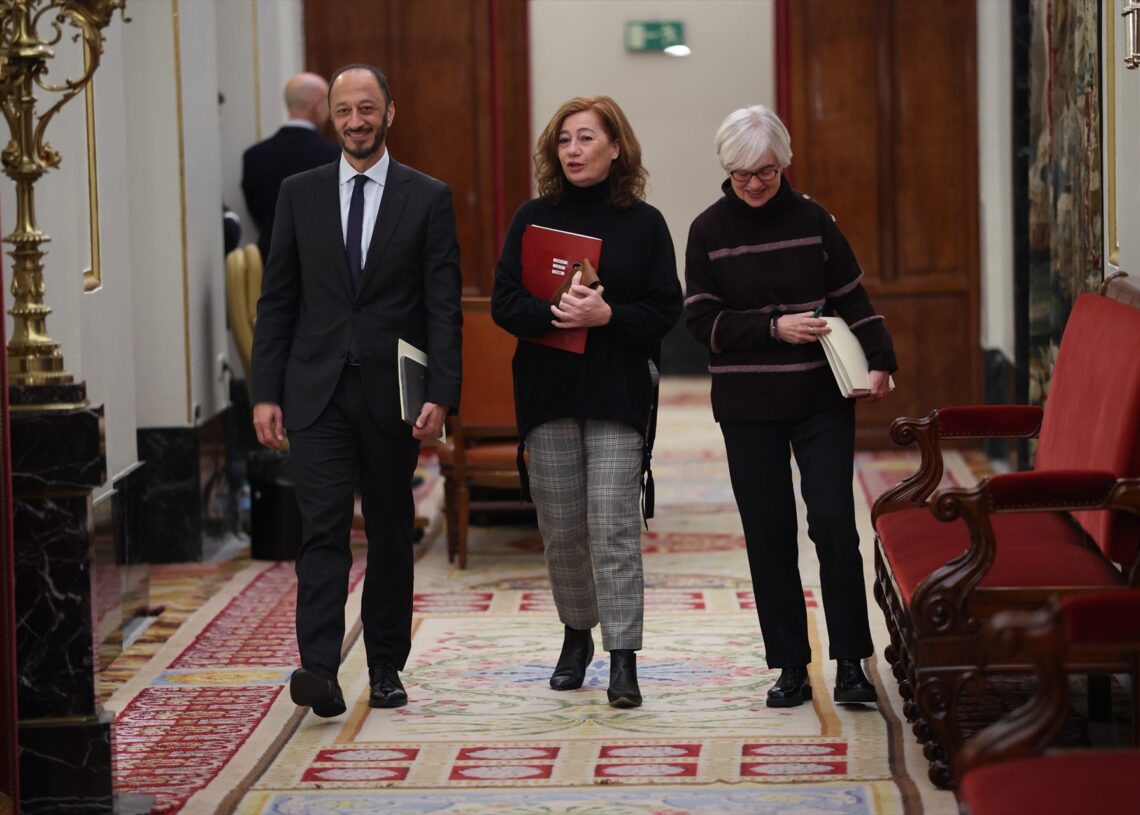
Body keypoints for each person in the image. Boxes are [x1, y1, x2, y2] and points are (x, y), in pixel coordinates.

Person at [251, 63, 462, 718]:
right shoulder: (299, 193)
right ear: (329, 117)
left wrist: (442, 392)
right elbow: (278, 299)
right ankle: (319, 669)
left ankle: (386, 664)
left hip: (390, 395)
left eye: (367, 109)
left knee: (392, 530)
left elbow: (442, 306)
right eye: (344, 111)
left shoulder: (426, 196)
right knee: (321, 531)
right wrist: (264, 391)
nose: (356, 121)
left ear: (389, 113)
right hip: (314, 391)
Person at [684, 105, 895, 709]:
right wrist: (775, 327)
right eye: (742, 174)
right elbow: (701, 321)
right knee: (768, 534)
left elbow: (854, 295)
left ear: (785, 164)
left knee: (833, 525)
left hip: (819, 397)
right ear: (726, 169)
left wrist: (880, 359)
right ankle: (791, 666)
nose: (754, 184)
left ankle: (852, 662)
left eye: (767, 172)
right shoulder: (708, 230)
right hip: (747, 404)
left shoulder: (814, 220)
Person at [491, 96, 682, 709]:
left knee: (614, 524)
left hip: (617, 393)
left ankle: (623, 657)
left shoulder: (645, 223)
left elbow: (665, 312)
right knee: (562, 527)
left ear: (616, 147)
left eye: (585, 138)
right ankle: (577, 634)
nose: (573, 150)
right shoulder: (531, 216)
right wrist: (551, 312)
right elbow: (503, 301)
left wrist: (608, 314)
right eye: (564, 141)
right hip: (547, 394)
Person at [242, 72, 341, 263]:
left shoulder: (253, 156)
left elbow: (256, 210)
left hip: (269, 256)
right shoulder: (335, 155)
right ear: (316, 104)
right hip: (323, 260)